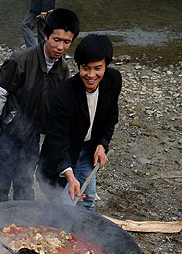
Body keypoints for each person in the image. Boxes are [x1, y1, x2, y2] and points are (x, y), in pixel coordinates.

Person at [0, 8, 79, 203]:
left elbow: (60, 107)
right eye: (56, 40)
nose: (60, 47)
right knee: (0, 184)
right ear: (45, 36)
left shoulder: (62, 70)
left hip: (33, 135)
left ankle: (23, 220)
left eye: (66, 42)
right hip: (9, 131)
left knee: (25, 184)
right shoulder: (20, 61)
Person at [39, 34, 121, 211]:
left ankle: (86, 227)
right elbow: (57, 140)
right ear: (78, 66)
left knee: (87, 198)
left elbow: (111, 117)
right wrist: (69, 174)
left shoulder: (113, 80)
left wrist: (102, 144)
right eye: (85, 68)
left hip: (88, 150)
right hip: (62, 153)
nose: (91, 75)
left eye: (97, 68)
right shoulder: (62, 96)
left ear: (106, 65)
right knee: (65, 203)